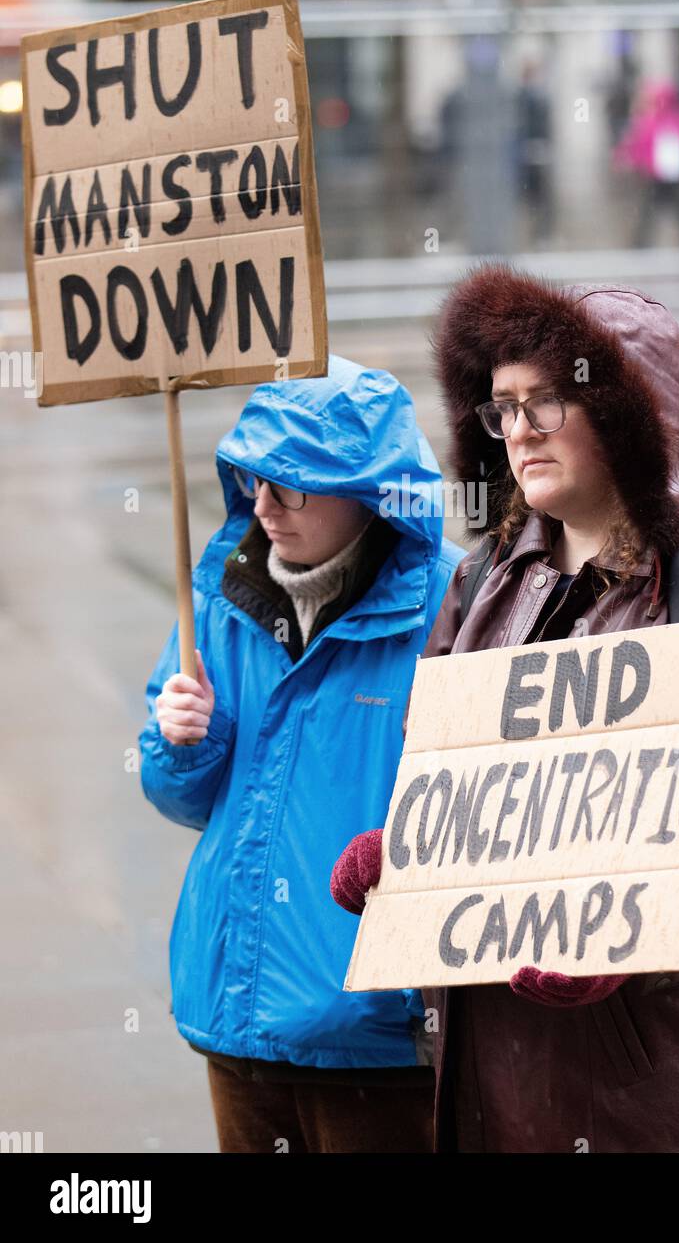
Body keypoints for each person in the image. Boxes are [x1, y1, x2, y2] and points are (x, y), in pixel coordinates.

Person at [331, 265, 679, 1153]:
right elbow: (461, 790)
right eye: (502, 407)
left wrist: (635, 935)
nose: (518, 432)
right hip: (500, 1080)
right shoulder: (482, 582)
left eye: (547, 403)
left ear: (625, 409)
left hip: (673, 1092)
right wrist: (407, 861)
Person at [139, 355, 464, 1153]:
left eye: (292, 483)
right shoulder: (217, 597)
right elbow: (178, 796)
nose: (265, 503)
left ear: (369, 493)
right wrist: (184, 742)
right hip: (232, 1012)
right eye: (253, 478)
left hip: (375, 1030)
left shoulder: (454, 604)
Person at [613, 79, 679, 246]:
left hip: (662, 175)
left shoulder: (654, 121)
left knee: (659, 209)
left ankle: (642, 243)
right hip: (665, 174)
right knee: (675, 207)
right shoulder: (677, 120)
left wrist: (625, 159)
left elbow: (636, 144)